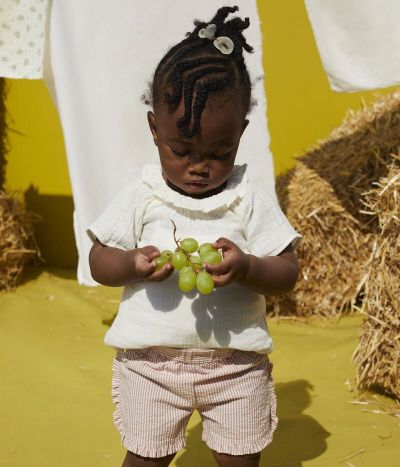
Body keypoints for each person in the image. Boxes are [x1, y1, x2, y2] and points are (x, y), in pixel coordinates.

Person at [87, 6, 301, 467]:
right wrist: (129, 264)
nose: (198, 166)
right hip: (150, 367)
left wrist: (247, 266)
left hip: (234, 368)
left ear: (241, 135)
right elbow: (98, 258)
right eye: (180, 150)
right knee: (144, 459)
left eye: (218, 152)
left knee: (239, 460)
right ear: (154, 130)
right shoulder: (141, 195)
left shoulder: (248, 199)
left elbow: (287, 271)